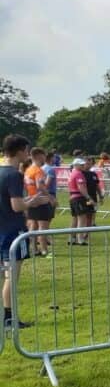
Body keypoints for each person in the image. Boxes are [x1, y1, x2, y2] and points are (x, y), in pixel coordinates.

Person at [2, 135, 49, 327]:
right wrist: (34, 201)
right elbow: (17, 205)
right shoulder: (13, 175)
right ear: (20, 150)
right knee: (12, 276)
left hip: (2, 228)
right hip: (13, 230)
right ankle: (9, 317)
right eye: (26, 150)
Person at [24, 147, 53, 258]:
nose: (45, 157)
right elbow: (40, 186)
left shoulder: (28, 170)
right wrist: (49, 197)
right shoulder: (38, 170)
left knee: (32, 226)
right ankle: (44, 250)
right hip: (40, 201)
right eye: (44, 155)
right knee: (42, 227)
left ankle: (34, 249)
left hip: (31, 200)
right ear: (39, 156)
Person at [67, 158, 93, 245]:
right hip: (79, 198)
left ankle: (71, 238)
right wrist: (88, 197)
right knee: (82, 218)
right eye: (81, 165)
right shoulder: (79, 174)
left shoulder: (72, 173)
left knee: (74, 218)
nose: (83, 166)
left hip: (72, 197)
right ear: (76, 165)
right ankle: (80, 239)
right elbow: (81, 188)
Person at [80, 155, 103, 243]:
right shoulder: (81, 174)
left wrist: (100, 196)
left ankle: (86, 234)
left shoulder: (93, 174)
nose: (89, 165)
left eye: (90, 163)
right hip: (83, 198)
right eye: (87, 163)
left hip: (93, 198)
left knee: (90, 216)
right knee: (83, 217)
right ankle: (79, 235)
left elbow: (97, 186)